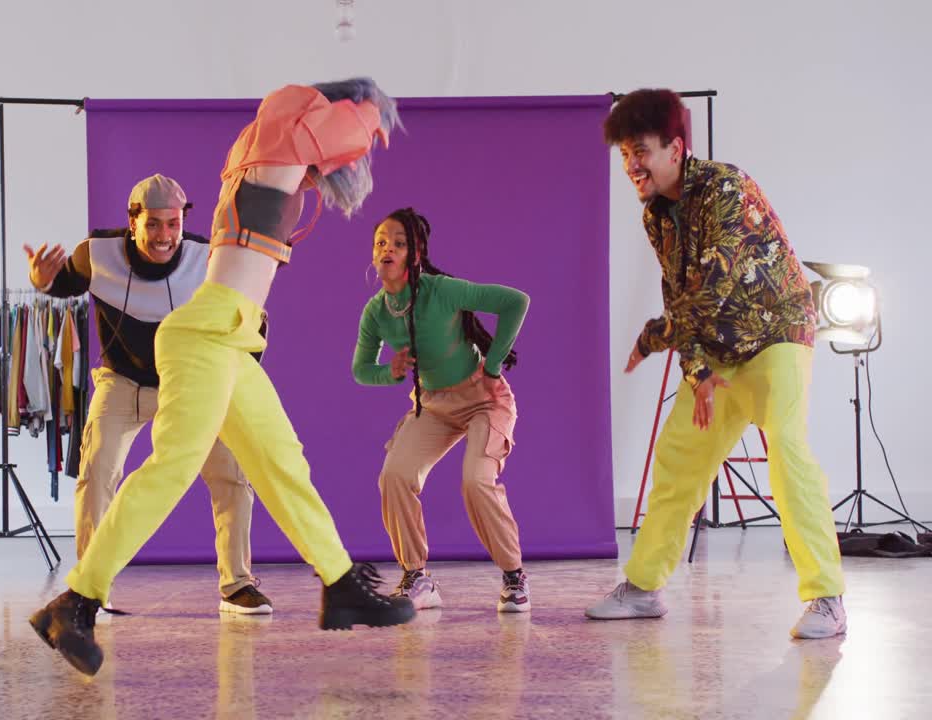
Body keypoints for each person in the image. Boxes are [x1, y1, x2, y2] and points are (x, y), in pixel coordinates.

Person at [28, 78, 416, 676]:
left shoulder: (265, 157)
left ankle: (340, 584)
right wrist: (371, 104)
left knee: (281, 461)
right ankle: (74, 602)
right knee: (174, 466)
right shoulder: (280, 129)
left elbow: (328, 153)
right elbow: (352, 131)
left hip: (233, 336)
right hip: (207, 331)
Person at [585, 88, 846, 640]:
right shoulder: (657, 215)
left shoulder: (725, 188)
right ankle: (643, 588)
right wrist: (698, 371)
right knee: (680, 458)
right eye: (625, 154)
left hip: (777, 332)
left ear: (676, 149)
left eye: (642, 152)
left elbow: (712, 284)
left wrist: (655, 336)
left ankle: (826, 599)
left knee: (788, 452)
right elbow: (681, 291)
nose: (632, 165)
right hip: (722, 351)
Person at [23, 174, 272, 615]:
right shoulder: (96, 254)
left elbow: (250, 319)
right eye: (154, 225)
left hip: (188, 384)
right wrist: (43, 281)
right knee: (97, 469)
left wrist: (234, 378)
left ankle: (237, 585)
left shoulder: (206, 259)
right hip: (122, 382)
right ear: (132, 221)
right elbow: (64, 283)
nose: (165, 236)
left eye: (173, 224)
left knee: (232, 474)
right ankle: (90, 588)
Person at [353, 207, 531, 612]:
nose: (387, 249)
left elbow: (515, 302)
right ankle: (416, 577)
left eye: (398, 243)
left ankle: (513, 576)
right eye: (381, 242)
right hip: (433, 405)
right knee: (395, 475)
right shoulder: (376, 311)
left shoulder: (441, 290)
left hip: (484, 400)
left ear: (414, 255)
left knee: (475, 482)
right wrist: (390, 371)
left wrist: (493, 364)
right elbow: (361, 370)